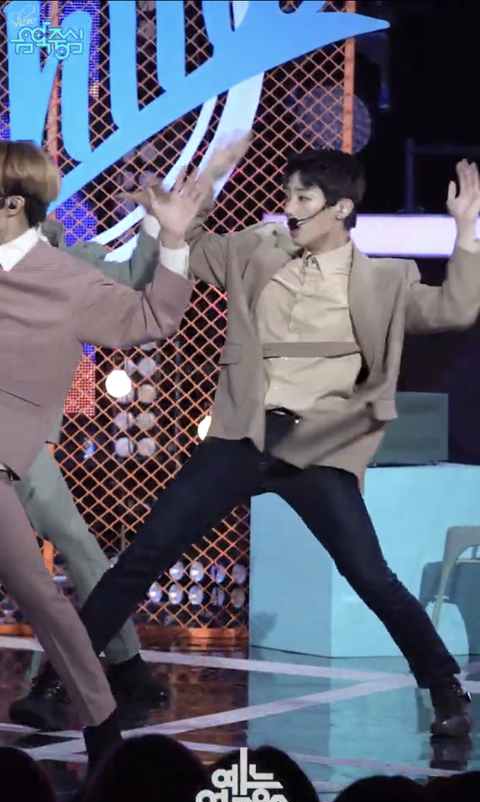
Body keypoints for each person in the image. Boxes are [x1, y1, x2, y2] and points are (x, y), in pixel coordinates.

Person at [15, 139, 480, 740]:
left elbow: (454, 309)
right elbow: (185, 248)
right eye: (287, 196)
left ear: (341, 208)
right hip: (243, 435)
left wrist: (466, 233)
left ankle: (445, 689)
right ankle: (56, 686)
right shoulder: (256, 251)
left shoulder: (386, 279)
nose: (290, 209)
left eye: (304, 199)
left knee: (370, 575)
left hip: (317, 446)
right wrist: (196, 196)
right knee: (143, 557)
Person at [0, 138, 210, 763]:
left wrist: (172, 240)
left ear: (13, 203)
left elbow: (153, 317)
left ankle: (103, 729)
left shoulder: (67, 279)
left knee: (42, 597)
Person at [10, 216, 166, 731]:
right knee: (52, 564)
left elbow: (136, 280)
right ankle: (122, 666)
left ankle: (96, 675)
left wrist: (156, 225)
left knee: (72, 548)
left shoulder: (69, 259)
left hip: (21, 438)